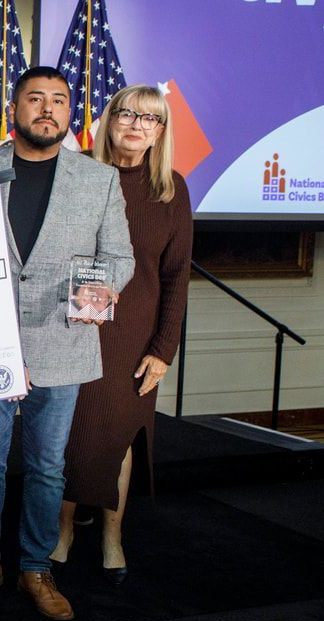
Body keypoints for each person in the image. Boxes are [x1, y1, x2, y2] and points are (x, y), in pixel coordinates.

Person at [0, 66, 134, 621]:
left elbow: (121, 256)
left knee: (47, 467)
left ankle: (35, 567)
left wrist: (107, 286)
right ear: (15, 108)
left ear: (70, 114)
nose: (47, 109)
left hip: (64, 338)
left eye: (59, 100)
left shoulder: (98, 179)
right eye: (35, 99)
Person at [51, 85, 192, 586]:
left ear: (160, 132)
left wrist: (162, 350)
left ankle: (112, 534)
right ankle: (62, 531)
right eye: (127, 113)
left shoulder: (171, 189)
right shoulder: (77, 174)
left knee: (121, 435)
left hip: (136, 334)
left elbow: (176, 276)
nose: (136, 123)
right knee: (70, 433)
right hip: (76, 327)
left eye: (150, 118)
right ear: (109, 119)